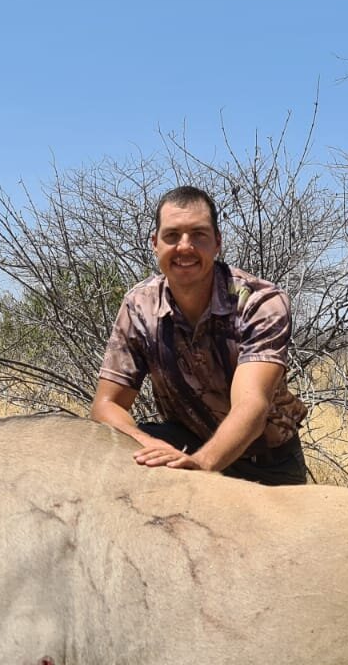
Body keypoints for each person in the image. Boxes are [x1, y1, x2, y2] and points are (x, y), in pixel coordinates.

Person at [90, 185, 309, 486]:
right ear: (154, 243)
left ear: (217, 242)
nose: (184, 247)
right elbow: (107, 404)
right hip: (183, 445)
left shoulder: (259, 301)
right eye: (172, 236)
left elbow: (252, 405)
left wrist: (203, 464)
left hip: (265, 460)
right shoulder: (139, 305)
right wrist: (147, 444)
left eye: (198, 235)